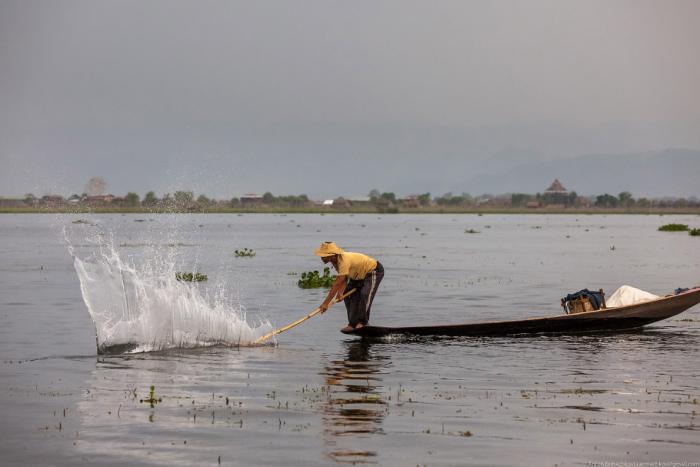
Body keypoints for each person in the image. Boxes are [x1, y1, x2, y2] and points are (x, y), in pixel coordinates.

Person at [314, 242, 384, 332]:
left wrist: (326, 303)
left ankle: (363, 322)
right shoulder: (335, 262)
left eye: (323, 256)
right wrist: (340, 293)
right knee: (347, 294)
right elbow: (344, 278)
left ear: (331, 255)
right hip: (357, 277)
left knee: (365, 294)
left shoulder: (344, 260)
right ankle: (353, 323)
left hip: (373, 271)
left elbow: (337, 283)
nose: (321, 258)